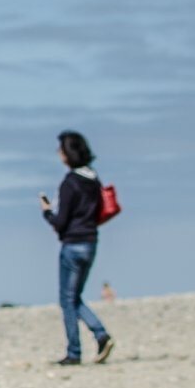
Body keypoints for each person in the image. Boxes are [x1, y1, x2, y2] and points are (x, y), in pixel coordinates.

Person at [39, 129, 116, 366]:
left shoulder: (70, 182)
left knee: (68, 299)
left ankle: (75, 351)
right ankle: (100, 334)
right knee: (75, 297)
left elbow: (61, 222)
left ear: (67, 154)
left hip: (72, 244)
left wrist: (47, 213)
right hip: (91, 242)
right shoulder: (93, 179)